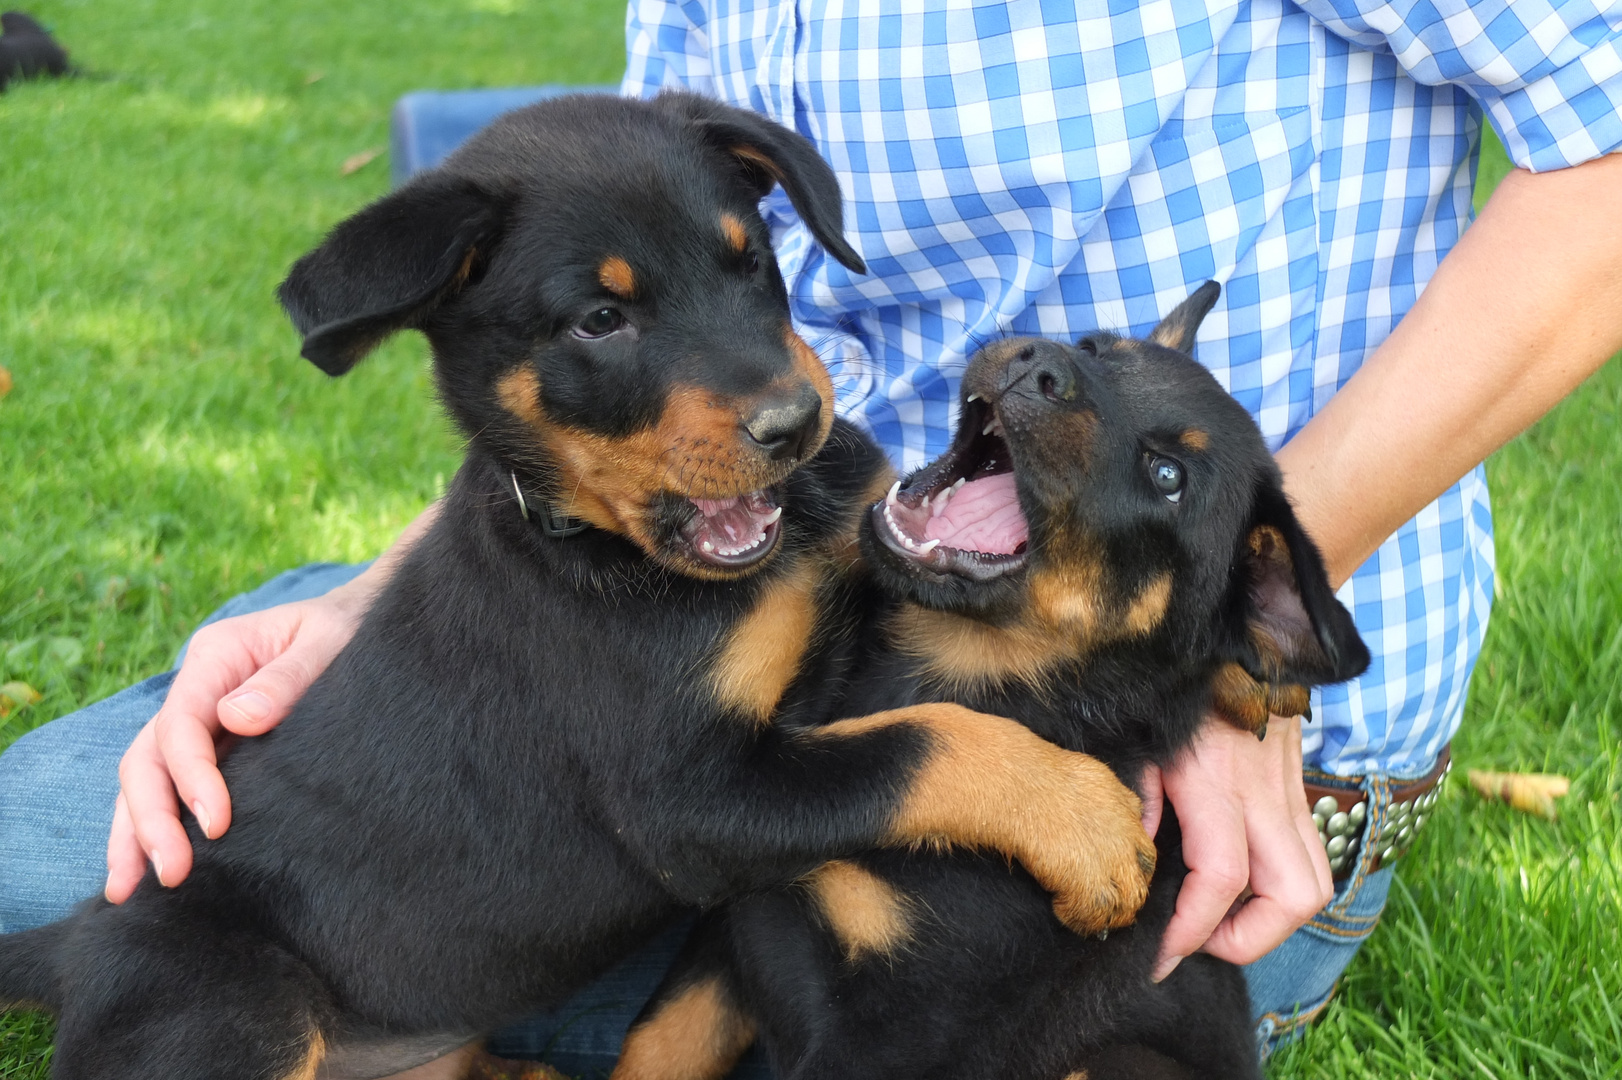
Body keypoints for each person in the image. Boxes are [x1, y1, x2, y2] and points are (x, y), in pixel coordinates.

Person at [3, 0, 1620, 1075]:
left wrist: (1215, 649)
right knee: (70, 866)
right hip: (714, 609)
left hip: (1094, 713)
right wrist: (374, 604)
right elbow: (595, 257)